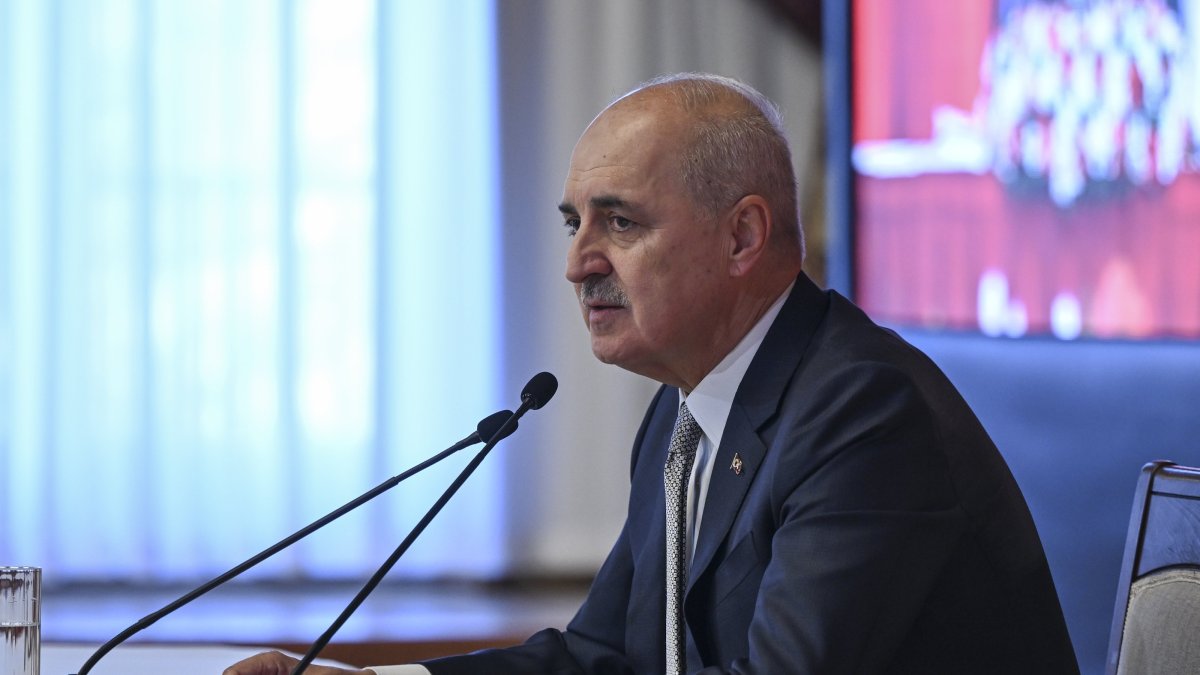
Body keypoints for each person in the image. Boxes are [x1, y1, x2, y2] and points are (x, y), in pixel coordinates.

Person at [224, 73, 1080, 675]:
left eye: (620, 222)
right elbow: (604, 657)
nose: (578, 263)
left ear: (742, 237)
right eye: (574, 223)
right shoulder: (686, 416)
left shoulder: (863, 413)